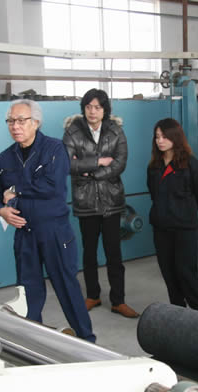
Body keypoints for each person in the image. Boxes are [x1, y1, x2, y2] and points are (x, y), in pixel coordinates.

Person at [0, 99, 96, 342]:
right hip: (25, 233)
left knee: (67, 286)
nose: (15, 126)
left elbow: (51, 185)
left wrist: (16, 190)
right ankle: (33, 340)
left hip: (54, 231)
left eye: (21, 120)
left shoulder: (54, 149)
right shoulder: (5, 158)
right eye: (10, 121)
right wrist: (0, 210)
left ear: (36, 122)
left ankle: (87, 340)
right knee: (28, 292)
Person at [62, 88, 139, 318]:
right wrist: (98, 161)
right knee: (89, 252)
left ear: (105, 110)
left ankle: (118, 301)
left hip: (111, 200)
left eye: (97, 107)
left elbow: (120, 163)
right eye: (88, 107)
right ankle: (93, 295)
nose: (92, 111)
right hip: (85, 202)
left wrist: (91, 172)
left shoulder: (116, 131)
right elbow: (66, 164)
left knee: (114, 253)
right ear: (83, 109)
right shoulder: (72, 132)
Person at [147, 118, 198, 312]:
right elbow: (154, 193)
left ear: (175, 137)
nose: (160, 141)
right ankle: (177, 312)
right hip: (161, 227)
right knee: (168, 272)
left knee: (186, 272)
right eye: (157, 137)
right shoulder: (154, 166)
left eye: (164, 136)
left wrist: (183, 210)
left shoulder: (191, 164)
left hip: (184, 228)